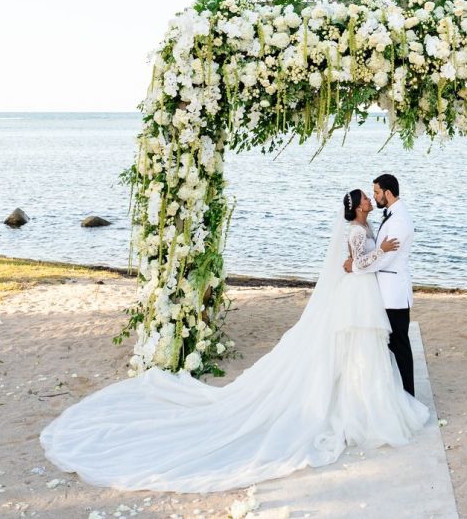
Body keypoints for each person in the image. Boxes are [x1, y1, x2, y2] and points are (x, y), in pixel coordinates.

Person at [38, 188, 429, 494]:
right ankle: (361, 405)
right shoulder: (359, 229)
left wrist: (367, 255)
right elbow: (357, 262)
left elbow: (353, 262)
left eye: (370, 194)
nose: (368, 198)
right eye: (365, 196)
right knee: (356, 349)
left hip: (359, 296)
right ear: (359, 207)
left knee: (359, 352)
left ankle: (360, 399)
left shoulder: (362, 227)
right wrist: (378, 252)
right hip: (355, 298)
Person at [343, 172, 415, 395]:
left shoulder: (400, 220)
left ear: (388, 192)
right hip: (381, 291)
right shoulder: (390, 216)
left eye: (375, 192)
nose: (373, 197)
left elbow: (385, 257)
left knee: (399, 344)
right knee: (388, 344)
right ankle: (388, 391)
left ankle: (408, 393)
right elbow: (374, 251)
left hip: (393, 292)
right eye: (370, 194)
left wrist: (354, 266)